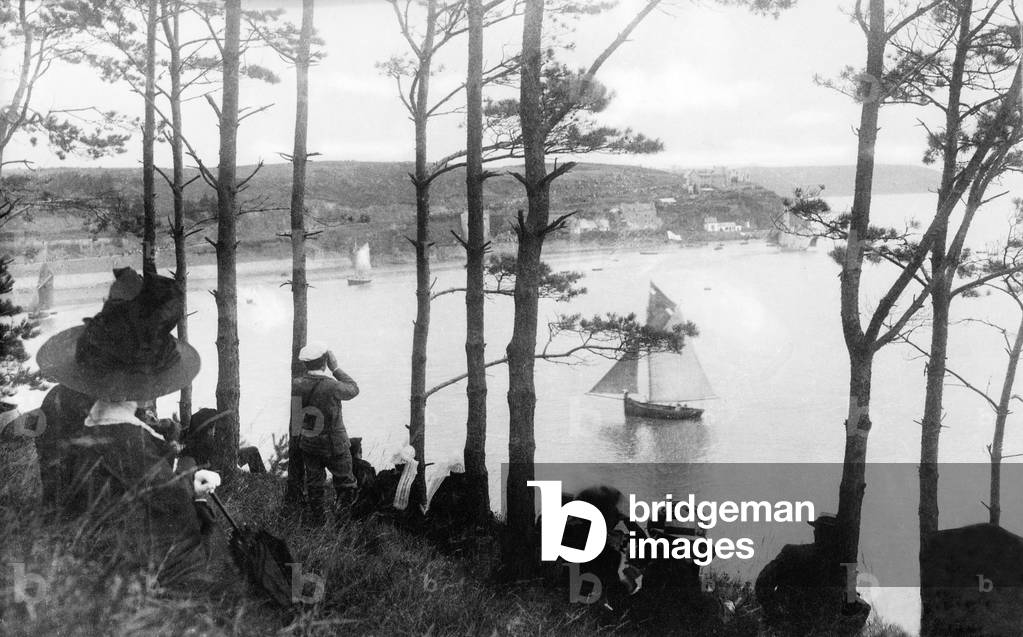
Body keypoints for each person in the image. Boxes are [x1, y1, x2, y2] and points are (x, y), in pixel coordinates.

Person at [35, 269, 218, 584]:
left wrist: (156, 441)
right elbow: (171, 514)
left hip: (74, 537)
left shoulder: (62, 403)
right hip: (123, 562)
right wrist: (192, 482)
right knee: (216, 554)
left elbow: (97, 471)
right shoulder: (116, 432)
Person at [754, 514, 870, 636]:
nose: (816, 532)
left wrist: (776, 612)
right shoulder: (844, 566)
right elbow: (851, 606)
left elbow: (763, 582)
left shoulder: (792, 553)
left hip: (785, 628)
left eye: (819, 529)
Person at [290, 342, 359, 525]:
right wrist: (335, 368)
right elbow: (354, 389)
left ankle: (318, 523)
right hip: (335, 445)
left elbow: (296, 417)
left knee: (315, 484)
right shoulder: (333, 386)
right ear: (324, 362)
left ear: (306, 364)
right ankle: (342, 523)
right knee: (346, 484)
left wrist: (300, 443)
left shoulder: (297, 384)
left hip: (310, 444)